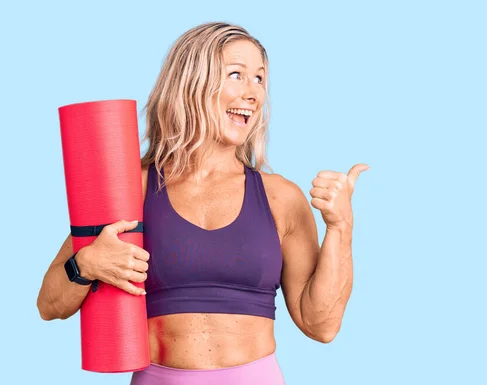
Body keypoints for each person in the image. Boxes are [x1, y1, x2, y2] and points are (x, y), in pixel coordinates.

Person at [36, 22, 368, 385]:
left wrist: (340, 227)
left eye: (259, 79)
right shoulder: (133, 187)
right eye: (236, 75)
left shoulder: (279, 198)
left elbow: (320, 325)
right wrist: (86, 264)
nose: (253, 92)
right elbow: (49, 305)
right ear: (192, 82)